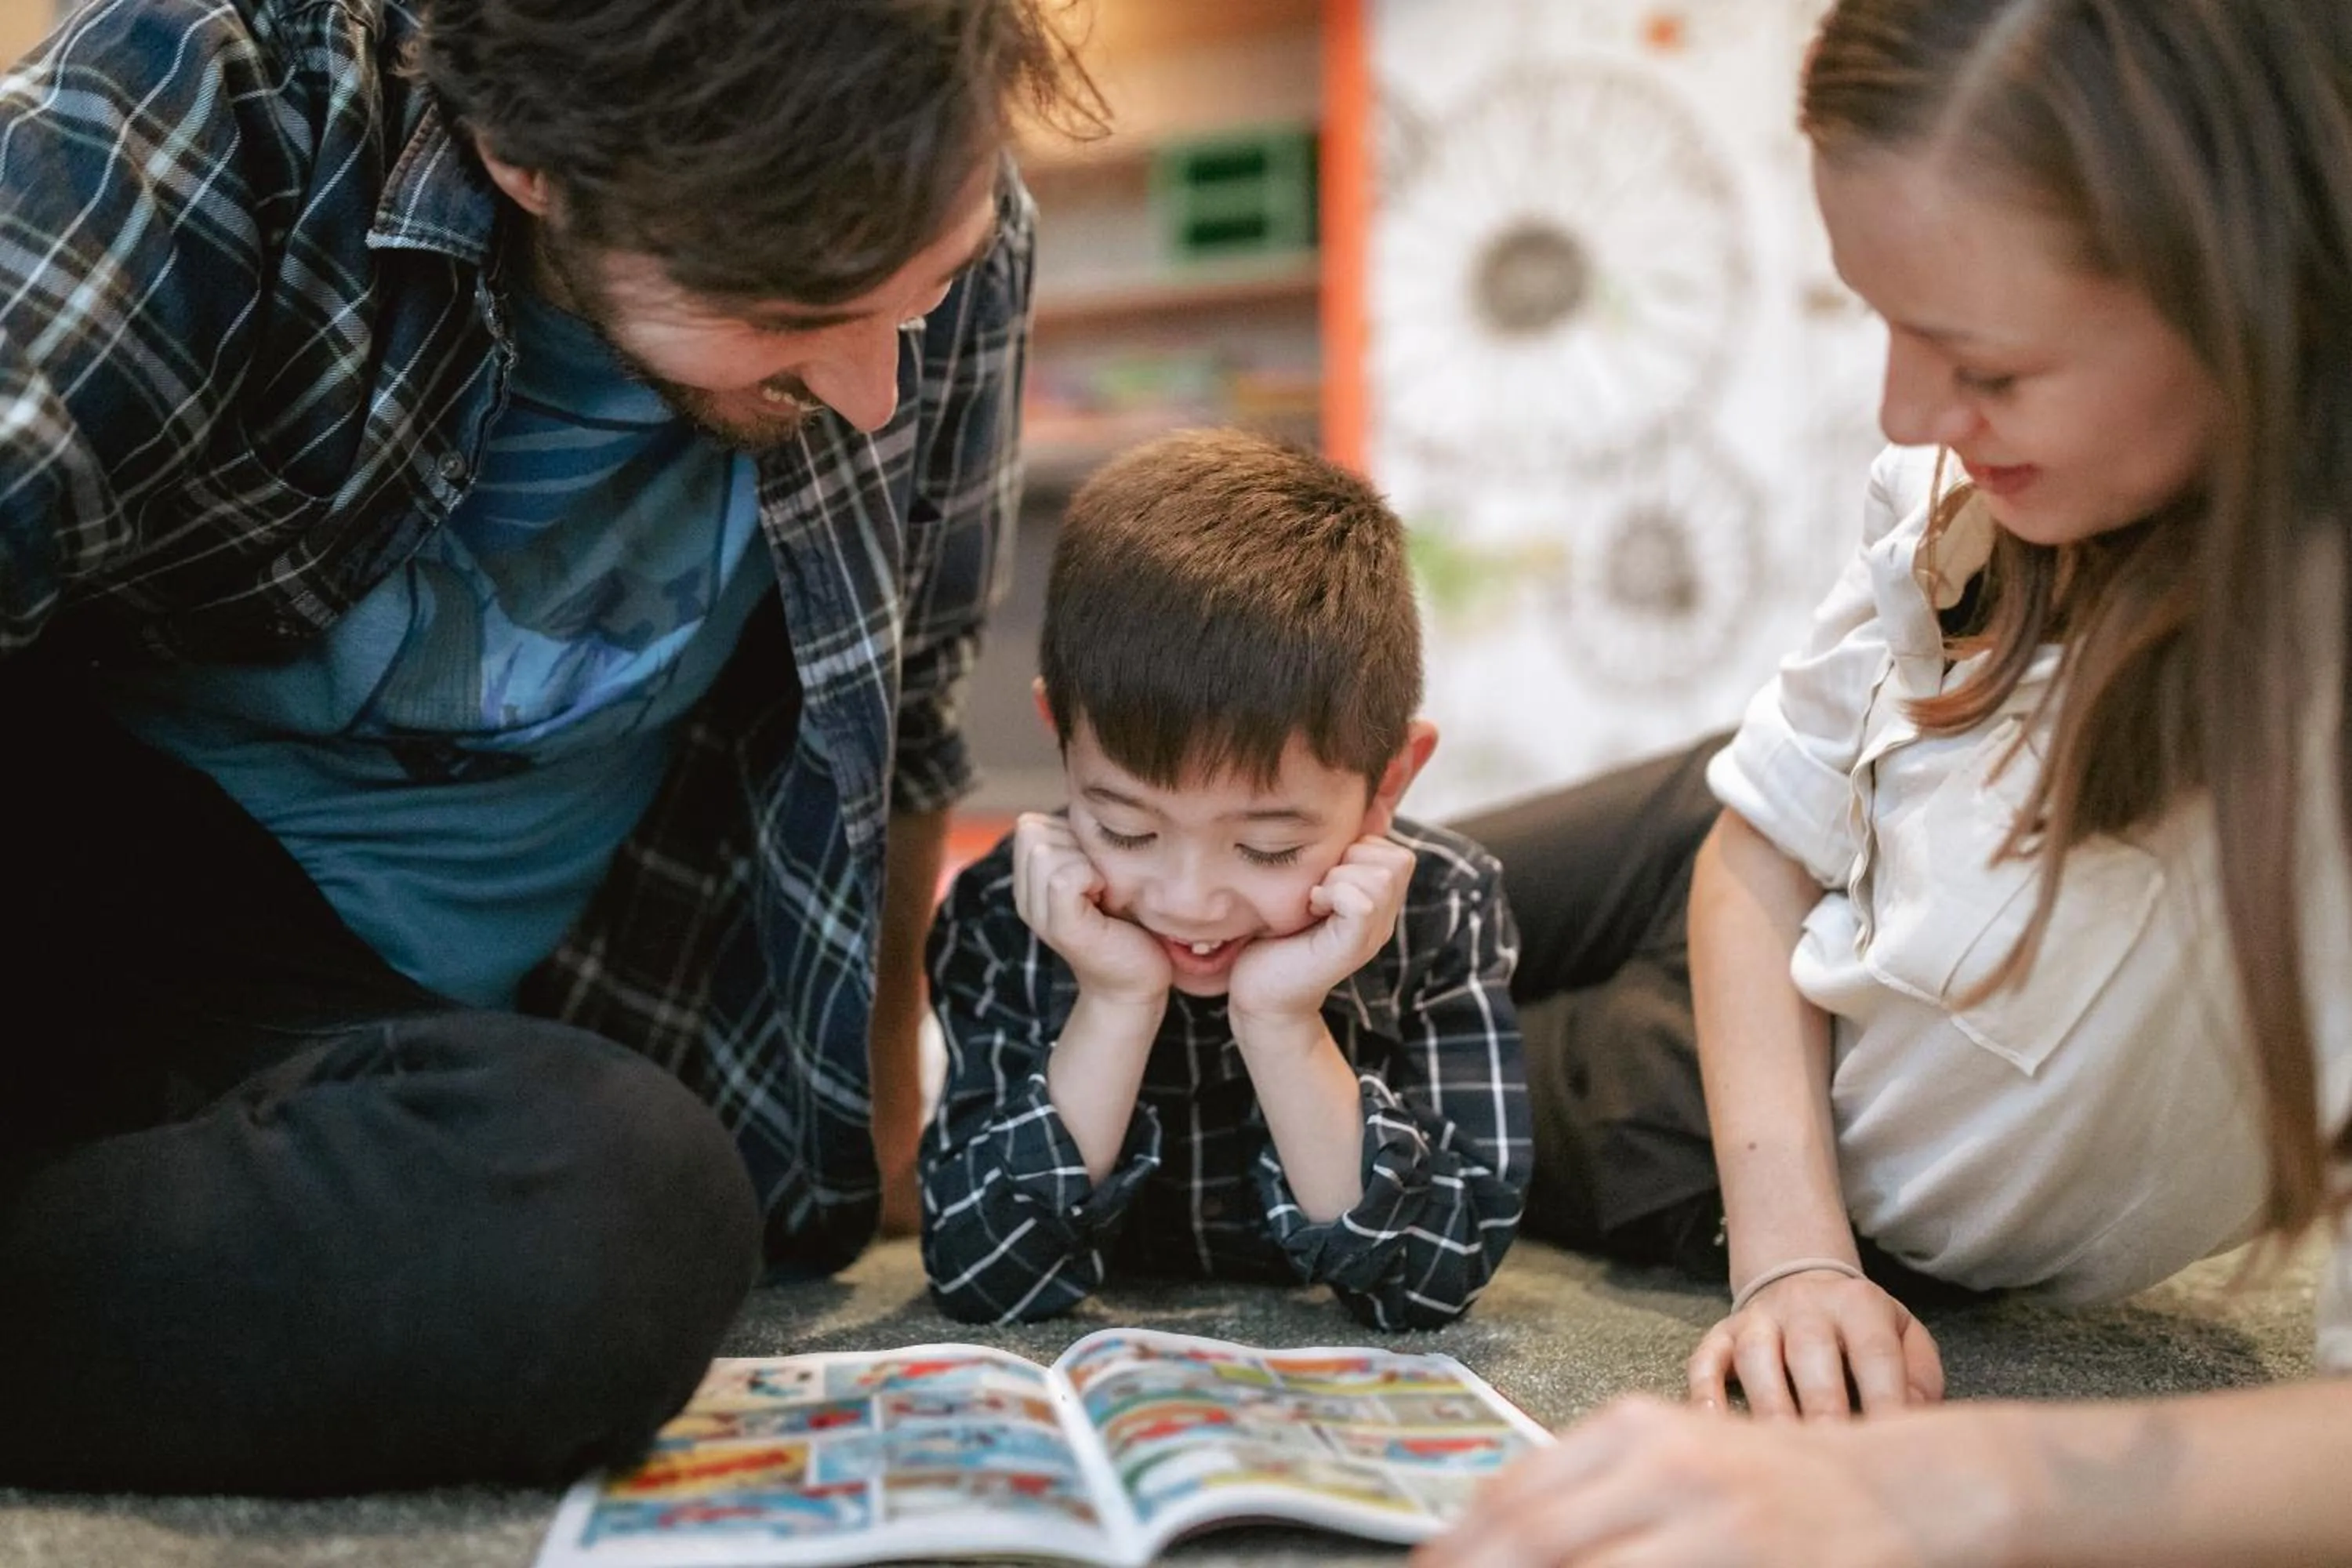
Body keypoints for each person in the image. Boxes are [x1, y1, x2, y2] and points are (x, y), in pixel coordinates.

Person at [0, 0, 1096, 1495]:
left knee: (628, 1217)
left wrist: (893, 1120)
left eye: (917, 295)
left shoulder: (942, 210)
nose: (870, 392)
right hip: (101, 879)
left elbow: (912, 707)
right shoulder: (215, 82)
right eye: (788, 308)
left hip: (386, 1036)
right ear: (528, 155)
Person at [1418, 0, 2352, 1560]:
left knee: (1298, 1085)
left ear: (2254, 300)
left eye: (1984, 360)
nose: (1909, 416)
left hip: (1713, 1106)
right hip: (1722, 861)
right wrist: (1791, 1255)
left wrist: (1914, 1464)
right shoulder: (1962, 501)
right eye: (1882, 321)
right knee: (1298, 885)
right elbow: (1751, 848)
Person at [919, 430, 1530, 1330]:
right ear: (1060, 732)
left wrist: (1283, 1022)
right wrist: (1116, 1002)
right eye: (1127, 827)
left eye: (1269, 847)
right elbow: (981, 1276)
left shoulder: (1446, 905)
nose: (1189, 899)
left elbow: (1430, 1281)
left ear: (1389, 780)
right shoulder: (1009, 910)